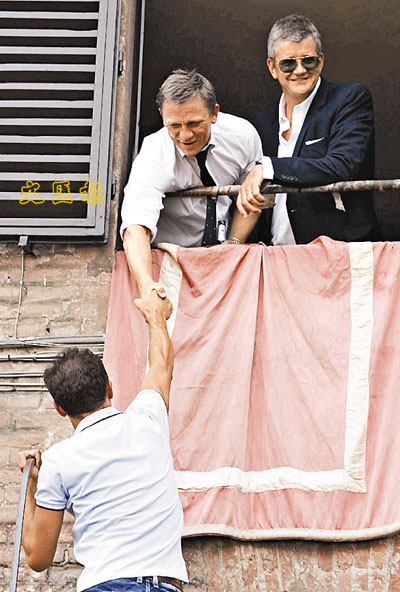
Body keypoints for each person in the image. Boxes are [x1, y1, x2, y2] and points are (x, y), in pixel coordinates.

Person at [18, 291, 188, 592]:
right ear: (110, 387)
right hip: (163, 584)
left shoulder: (58, 461)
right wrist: (156, 316)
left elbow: (37, 557)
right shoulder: (148, 420)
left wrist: (31, 484)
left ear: (59, 408)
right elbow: (162, 363)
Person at [233, 14, 380, 245]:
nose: (299, 70)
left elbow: (343, 164)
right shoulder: (264, 122)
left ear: (321, 61)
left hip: (336, 252)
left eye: (308, 61)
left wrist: (268, 167)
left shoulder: (349, 99)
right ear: (272, 67)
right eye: (288, 63)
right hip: (275, 254)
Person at [121, 68, 262, 299]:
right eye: (174, 126)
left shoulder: (243, 136)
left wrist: (234, 243)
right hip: (170, 262)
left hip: (227, 258)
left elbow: (254, 196)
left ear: (214, 113)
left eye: (194, 123)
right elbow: (135, 227)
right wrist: (146, 285)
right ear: (162, 116)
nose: (185, 136)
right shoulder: (153, 154)